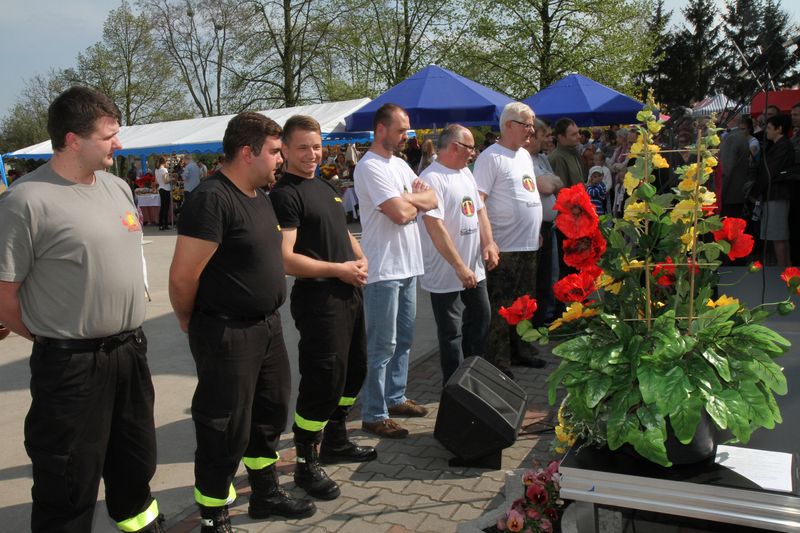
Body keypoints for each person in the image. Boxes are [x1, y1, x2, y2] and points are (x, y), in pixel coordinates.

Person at [0, 86, 162, 533]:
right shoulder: (26, 201)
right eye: (109, 136)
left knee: (136, 462)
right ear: (73, 139)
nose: (119, 144)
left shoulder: (119, 187)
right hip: (70, 367)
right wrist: (54, 338)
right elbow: (4, 295)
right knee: (67, 478)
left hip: (131, 354)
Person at [169, 112, 315, 531]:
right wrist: (190, 321)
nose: (280, 161)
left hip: (266, 328)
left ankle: (265, 493)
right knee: (224, 426)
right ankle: (214, 515)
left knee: (269, 413)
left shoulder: (259, 195)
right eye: (274, 152)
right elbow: (182, 277)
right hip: (227, 332)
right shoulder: (212, 199)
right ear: (248, 152)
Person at [269, 115, 377, 502]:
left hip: (348, 290)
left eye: (316, 146)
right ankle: (305, 463)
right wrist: (339, 269)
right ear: (283, 149)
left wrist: (359, 255)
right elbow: (285, 258)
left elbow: (341, 230)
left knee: (354, 372)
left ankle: (336, 438)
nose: (312, 154)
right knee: (323, 381)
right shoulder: (285, 194)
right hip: (319, 299)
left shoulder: (325, 184)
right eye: (302, 147)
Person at [354, 103, 438, 438]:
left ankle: (396, 396)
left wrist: (409, 199)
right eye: (401, 130)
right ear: (381, 130)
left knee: (403, 338)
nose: (407, 136)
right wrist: (410, 201)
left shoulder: (401, 165)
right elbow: (399, 214)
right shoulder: (369, 167)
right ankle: (373, 412)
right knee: (382, 344)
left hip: (407, 264)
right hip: (383, 267)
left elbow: (432, 198)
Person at [418, 124, 499, 386]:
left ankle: (475, 374)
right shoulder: (432, 178)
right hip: (446, 270)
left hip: (473, 265)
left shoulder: (465, 172)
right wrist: (458, 266)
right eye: (470, 147)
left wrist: (488, 243)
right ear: (454, 147)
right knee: (450, 333)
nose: (473, 153)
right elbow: (435, 227)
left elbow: (479, 210)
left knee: (481, 318)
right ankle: (453, 387)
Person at [473, 101, 544, 378]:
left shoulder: (524, 156)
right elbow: (479, 202)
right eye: (528, 125)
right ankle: (499, 361)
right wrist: (488, 241)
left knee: (525, 303)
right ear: (509, 126)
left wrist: (534, 226)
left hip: (527, 244)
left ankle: (522, 350)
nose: (532, 131)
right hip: (505, 247)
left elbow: (527, 193)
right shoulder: (491, 158)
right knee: (502, 306)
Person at [525, 120, 563, 326]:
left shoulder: (541, 159)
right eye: (545, 136)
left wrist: (553, 181)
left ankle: (547, 315)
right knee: (542, 276)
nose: (550, 140)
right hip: (537, 228)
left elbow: (558, 182)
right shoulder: (527, 161)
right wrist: (553, 181)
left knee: (551, 274)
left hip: (549, 226)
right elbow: (549, 186)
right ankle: (542, 319)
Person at [751, 114, 795, 267]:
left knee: (778, 235)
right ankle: (785, 268)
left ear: (779, 129)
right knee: (779, 235)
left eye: (769, 128)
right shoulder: (778, 145)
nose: (766, 131)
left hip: (777, 194)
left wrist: (754, 192)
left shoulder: (783, 146)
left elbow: (769, 171)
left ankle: (784, 269)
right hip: (774, 194)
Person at [548, 118, 586, 187]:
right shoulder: (558, 158)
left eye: (578, 132)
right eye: (574, 134)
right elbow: (562, 191)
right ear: (561, 137)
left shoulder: (574, 152)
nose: (579, 136)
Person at [155, 156, 173, 230]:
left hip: (160, 188)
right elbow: (166, 181)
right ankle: (165, 225)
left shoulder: (156, 170)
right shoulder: (164, 170)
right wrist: (172, 178)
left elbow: (157, 181)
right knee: (166, 207)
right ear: (164, 162)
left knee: (162, 207)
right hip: (166, 189)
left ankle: (161, 224)